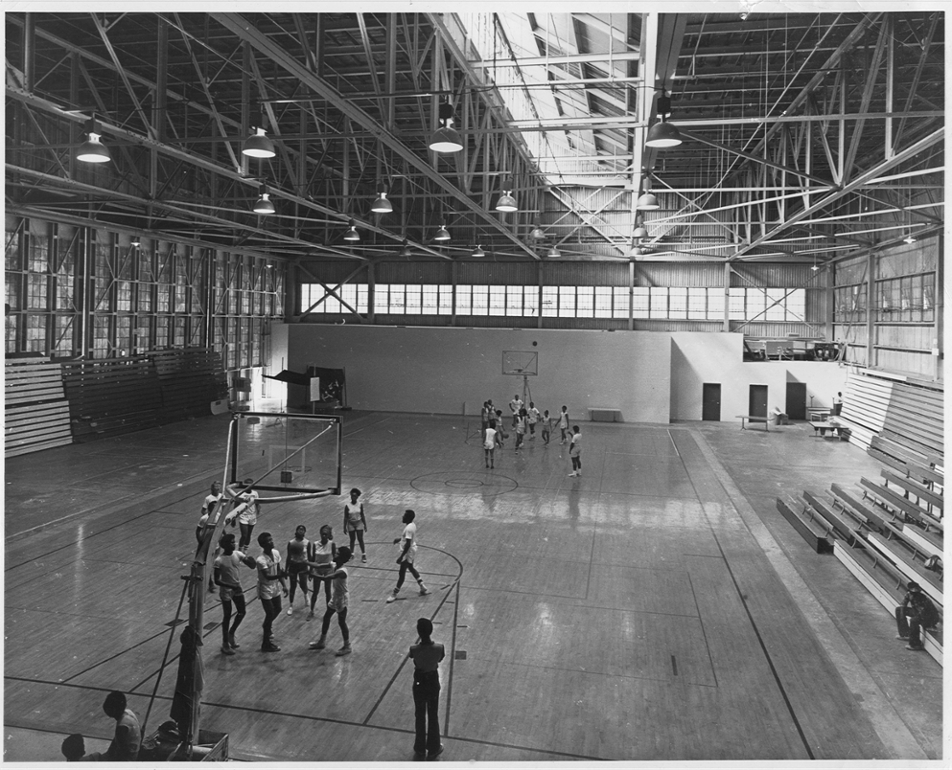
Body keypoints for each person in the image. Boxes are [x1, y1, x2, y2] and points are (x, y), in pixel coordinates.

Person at [213, 532, 256, 655]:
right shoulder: (219, 560)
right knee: (227, 616)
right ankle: (225, 643)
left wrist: (251, 561)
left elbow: (251, 565)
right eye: (232, 542)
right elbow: (217, 580)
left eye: (234, 541)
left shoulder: (238, 554)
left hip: (237, 587)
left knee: (242, 612)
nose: (234, 544)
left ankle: (231, 633)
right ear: (226, 545)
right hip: (227, 590)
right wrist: (231, 585)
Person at [409, 617, 445, 760]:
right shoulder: (439, 648)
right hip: (432, 682)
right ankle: (434, 747)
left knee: (419, 716)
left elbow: (414, 658)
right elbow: (440, 659)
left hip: (419, 682)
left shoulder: (414, 649)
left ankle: (419, 748)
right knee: (433, 714)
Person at [308, 546, 353, 656]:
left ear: (341, 557)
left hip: (342, 598)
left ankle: (347, 646)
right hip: (336, 596)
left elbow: (326, 578)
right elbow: (318, 565)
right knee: (326, 617)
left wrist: (311, 574)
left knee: (341, 622)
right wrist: (306, 563)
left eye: (337, 553)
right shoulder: (334, 564)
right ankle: (322, 641)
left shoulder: (342, 571)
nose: (334, 555)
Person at [386, 510, 430, 603]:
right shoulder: (412, 525)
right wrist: (400, 539)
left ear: (408, 518)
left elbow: (408, 544)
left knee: (401, 574)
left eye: (404, 516)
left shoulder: (409, 529)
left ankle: (394, 594)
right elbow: (407, 540)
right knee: (411, 567)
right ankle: (422, 585)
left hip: (407, 553)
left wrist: (401, 556)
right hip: (412, 551)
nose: (402, 517)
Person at [83, 691, 141, 761]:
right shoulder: (129, 712)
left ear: (113, 710)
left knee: (93, 758)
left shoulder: (122, 726)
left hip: (127, 759)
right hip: (133, 752)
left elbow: (121, 752)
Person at [255, 531, 287, 652]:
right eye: (268, 541)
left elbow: (278, 570)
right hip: (265, 588)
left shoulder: (276, 553)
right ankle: (266, 643)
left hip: (275, 586)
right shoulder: (260, 560)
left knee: (278, 608)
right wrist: (282, 574)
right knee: (269, 613)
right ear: (263, 545)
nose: (271, 541)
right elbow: (268, 576)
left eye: (271, 539)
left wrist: (284, 584)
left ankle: (267, 626)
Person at [197, 481, 225, 591]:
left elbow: (222, 529)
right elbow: (197, 530)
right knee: (207, 563)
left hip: (217, 543)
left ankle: (212, 580)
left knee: (214, 563)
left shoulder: (219, 516)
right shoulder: (204, 518)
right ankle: (210, 583)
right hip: (207, 543)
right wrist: (200, 541)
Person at [895, 581, 939, 651]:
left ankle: (915, 644)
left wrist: (916, 618)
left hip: (930, 616)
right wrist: (901, 612)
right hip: (917, 611)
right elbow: (903, 604)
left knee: (914, 621)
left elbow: (923, 613)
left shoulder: (923, 598)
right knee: (899, 609)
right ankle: (905, 634)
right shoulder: (909, 594)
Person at [308, 524, 338, 619]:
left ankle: (328, 612)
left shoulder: (332, 544)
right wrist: (310, 570)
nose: (324, 536)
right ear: (320, 534)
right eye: (322, 534)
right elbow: (313, 558)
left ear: (328, 535)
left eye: (326, 534)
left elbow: (335, 558)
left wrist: (336, 571)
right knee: (315, 592)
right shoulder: (315, 544)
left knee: (327, 592)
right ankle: (311, 611)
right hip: (317, 570)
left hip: (328, 570)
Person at [227, 478, 260, 553]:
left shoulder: (255, 493)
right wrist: (233, 519)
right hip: (243, 516)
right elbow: (236, 506)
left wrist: (257, 511)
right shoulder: (240, 494)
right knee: (244, 535)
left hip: (252, 516)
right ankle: (240, 550)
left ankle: (245, 550)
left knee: (249, 535)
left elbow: (257, 503)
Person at [285, 525, 310, 615]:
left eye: (303, 529)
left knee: (303, 584)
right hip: (293, 566)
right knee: (293, 586)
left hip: (303, 565)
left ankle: (306, 595)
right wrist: (286, 569)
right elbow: (288, 556)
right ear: (296, 531)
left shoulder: (307, 542)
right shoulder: (291, 543)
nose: (301, 531)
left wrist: (311, 570)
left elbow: (309, 557)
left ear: (304, 532)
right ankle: (291, 605)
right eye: (299, 529)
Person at [343, 488, 369, 563]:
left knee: (360, 539)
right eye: (352, 496)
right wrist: (344, 527)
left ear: (357, 497)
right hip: (350, 523)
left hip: (359, 522)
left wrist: (365, 525)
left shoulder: (360, 504)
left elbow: (362, 515)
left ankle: (364, 554)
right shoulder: (347, 506)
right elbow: (345, 517)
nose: (353, 497)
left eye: (354, 496)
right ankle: (351, 553)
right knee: (352, 539)